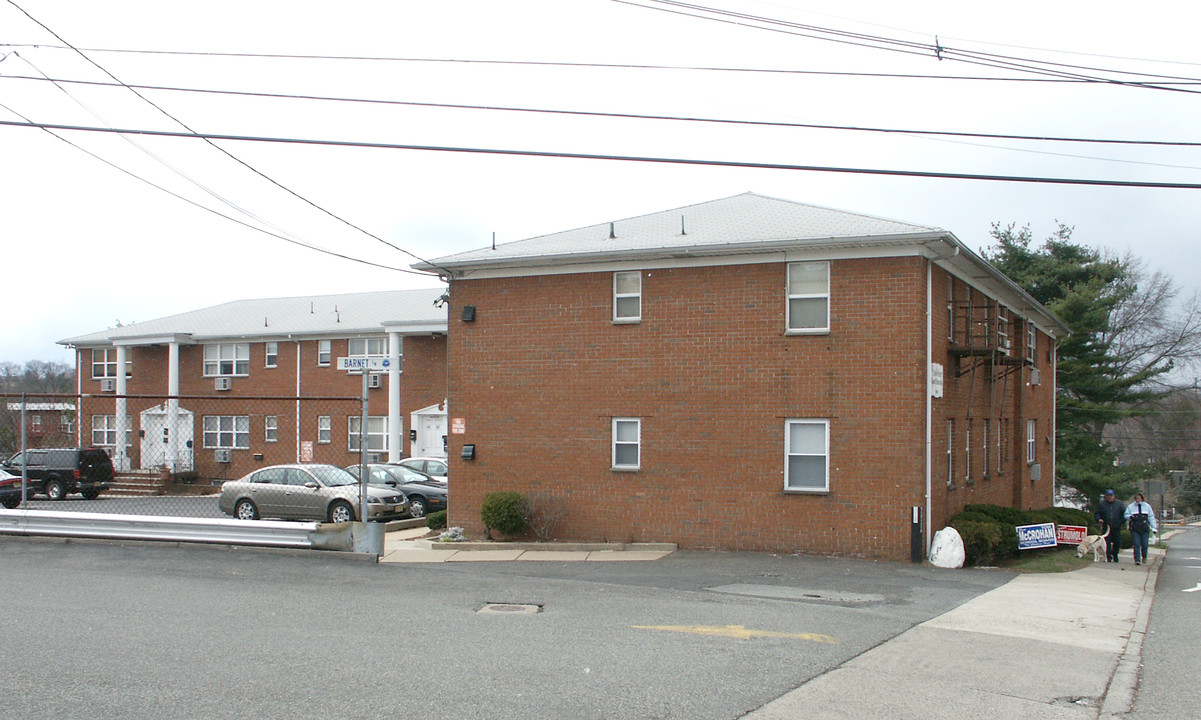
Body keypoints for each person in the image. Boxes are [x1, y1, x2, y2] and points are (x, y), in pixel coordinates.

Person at [1125, 493, 1158, 566]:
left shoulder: (1147, 506)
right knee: (1136, 544)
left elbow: (1151, 517)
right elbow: (1126, 515)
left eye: (1139, 498)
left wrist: (1154, 527)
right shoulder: (1131, 507)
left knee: (1145, 544)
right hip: (1135, 528)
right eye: (1136, 498)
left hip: (1144, 527)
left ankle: (1144, 556)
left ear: (1142, 499)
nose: (1137, 500)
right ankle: (1137, 559)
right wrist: (1130, 517)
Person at [1095, 489, 1125, 563]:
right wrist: (1099, 519)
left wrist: (1121, 522)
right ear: (1106, 496)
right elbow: (1097, 513)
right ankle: (1108, 556)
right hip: (1106, 526)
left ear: (1114, 496)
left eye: (1111, 495)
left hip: (1116, 526)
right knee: (1107, 542)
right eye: (1108, 495)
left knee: (1117, 542)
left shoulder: (1119, 504)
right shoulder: (1102, 504)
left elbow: (1124, 514)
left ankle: (1115, 555)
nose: (1109, 497)